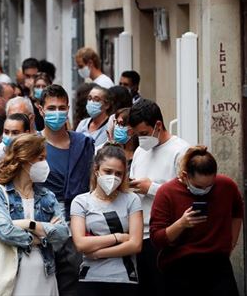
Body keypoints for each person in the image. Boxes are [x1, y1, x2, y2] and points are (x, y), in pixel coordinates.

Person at [150, 146, 244, 296]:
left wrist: (231, 242)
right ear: (185, 176)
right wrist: (181, 224)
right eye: (199, 186)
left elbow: (238, 211)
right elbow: (157, 238)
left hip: (218, 266)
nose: (205, 190)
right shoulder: (167, 192)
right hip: (180, 267)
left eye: (210, 185)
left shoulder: (226, 186)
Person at [0, 134, 70, 296]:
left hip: (45, 277)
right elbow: (5, 231)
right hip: (10, 278)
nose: (45, 164)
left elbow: (63, 233)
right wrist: (42, 236)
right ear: (24, 159)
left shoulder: (47, 196)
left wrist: (28, 224)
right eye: (40, 158)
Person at [127, 99, 190, 296]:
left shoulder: (181, 150)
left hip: (168, 236)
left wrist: (151, 188)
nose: (141, 139)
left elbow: (187, 194)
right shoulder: (140, 151)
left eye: (144, 134)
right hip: (140, 236)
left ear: (158, 125)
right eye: (137, 135)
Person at [40, 84, 94, 296]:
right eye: (51, 108)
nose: (57, 113)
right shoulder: (32, 145)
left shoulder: (83, 144)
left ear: (68, 108)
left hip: (77, 225)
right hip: (42, 226)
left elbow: (93, 183)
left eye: (61, 108)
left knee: (73, 283)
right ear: (40, 110)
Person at [70, 144, 143, 295]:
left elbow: (135, 245)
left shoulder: (132, 199)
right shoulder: (81, 201)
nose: (113, 177)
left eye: (118, 174)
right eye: (108, 171)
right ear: (96, 170)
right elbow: (80, 243)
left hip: (125, 278)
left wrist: (98, 253)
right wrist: (118, 237)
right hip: (91, 278)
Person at [0, 112, 32, 188]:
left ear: (26, 133)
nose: (9, 136)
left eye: (15, 133)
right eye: (6, 132)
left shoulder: (34, 157)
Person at [21, 58, 46, 131]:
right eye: (28, 76)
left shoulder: (42, 95)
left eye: (34, 76)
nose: (31, 80)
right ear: (23, 75)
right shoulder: (19, 91)